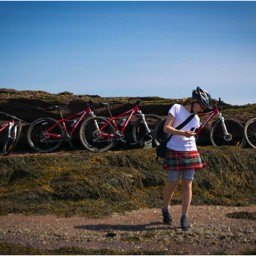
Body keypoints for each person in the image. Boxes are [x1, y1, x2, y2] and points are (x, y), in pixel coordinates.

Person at [161, 86, 212, 231]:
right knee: (172, 183)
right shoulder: (176, 108)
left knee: (187, 184)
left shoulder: (196, 118)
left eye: (204, 107)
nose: (202, 109)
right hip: (174, 149)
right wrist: (183, 133)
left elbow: (192, 136)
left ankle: (184, 217)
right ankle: (165, 209)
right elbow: (166, 128)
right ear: (194, 101)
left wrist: (188, 136)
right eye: (202, 105)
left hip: (191, 151)